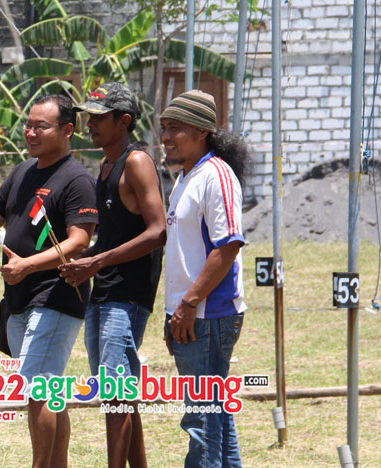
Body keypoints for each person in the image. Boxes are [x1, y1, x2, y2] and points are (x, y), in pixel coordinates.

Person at [0, 94, 98, 468]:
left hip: (55, 297)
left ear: (67, 130)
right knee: (48, 389)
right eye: (28, 125)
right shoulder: (23, 171)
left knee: (38, 387)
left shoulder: (77, 179)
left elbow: (79, 241)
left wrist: (28, 266)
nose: (30, 133)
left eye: (41, 126)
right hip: (19, 299)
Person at [58, 82, 166, 468]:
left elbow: (158, 232)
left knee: (116, 395)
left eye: (99, 117)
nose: (89, 124)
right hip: (103, 292)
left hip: (128, 295)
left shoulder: (136, 162)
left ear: (124, 121)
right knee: (118, 394)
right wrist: (84, 259)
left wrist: (97, 262)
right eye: (88, 116)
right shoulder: (104, 167)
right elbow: (113, 236)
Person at [160, 89, 249, 468]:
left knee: (202, 421)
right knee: (215, 419)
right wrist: (173, 311)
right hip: (189, 314)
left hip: (208, 315)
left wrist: (188, 304)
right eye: (164, 128)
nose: (165, 137)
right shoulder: (186, 177)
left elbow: (228, 247)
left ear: (201, 132)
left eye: (175, 128)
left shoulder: (217, 176)